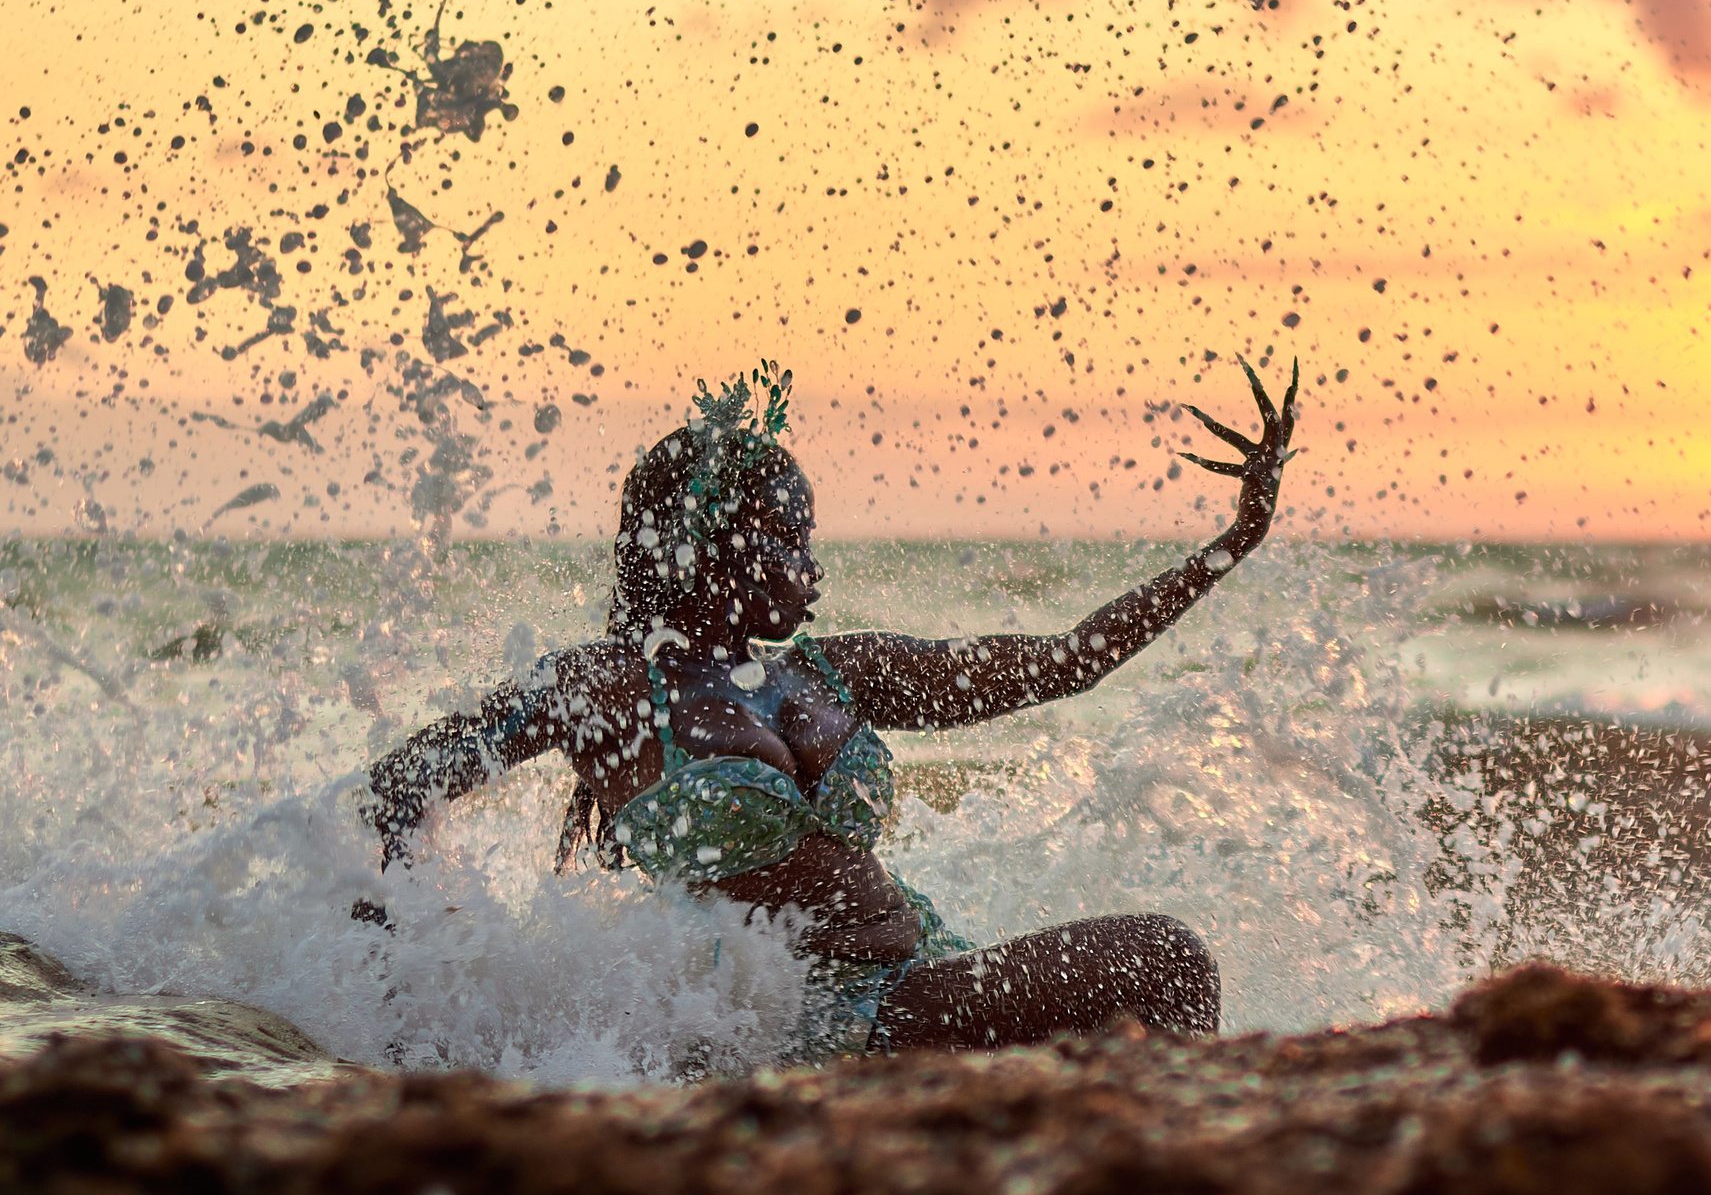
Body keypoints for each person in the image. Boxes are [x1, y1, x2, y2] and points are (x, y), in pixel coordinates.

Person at [358, 358, 1297, 1057]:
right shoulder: (609, 687)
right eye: (791, 539)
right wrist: (403, 949)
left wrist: (1231, 544)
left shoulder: (832, 671)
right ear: (715, 544)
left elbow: (1065, 663)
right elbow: (405, 780)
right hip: (820, 1018)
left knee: (1148, 996)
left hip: (922, 971)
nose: (813, 569)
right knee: (1167, 958)